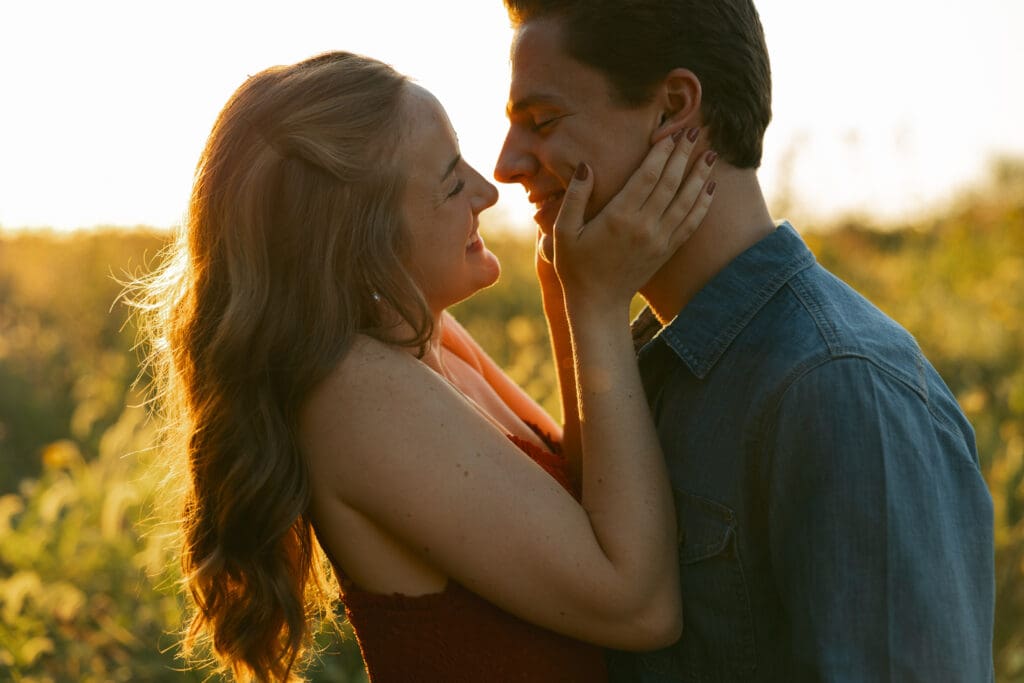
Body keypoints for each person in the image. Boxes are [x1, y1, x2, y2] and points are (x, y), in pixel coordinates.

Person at [134, 50, 719, 682]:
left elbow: (588, 507)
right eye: (448, 181)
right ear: (362, 241)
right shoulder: (355, 393)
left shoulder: (428, 336)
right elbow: (639, 610)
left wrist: (565, 292)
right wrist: (600, 305)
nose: (487, 191)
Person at [493, 1, 996, 681]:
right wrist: (580, 304)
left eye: (542, 121)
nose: (506, 164)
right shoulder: (637, 356)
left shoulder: (842, 386)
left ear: (673, 107)